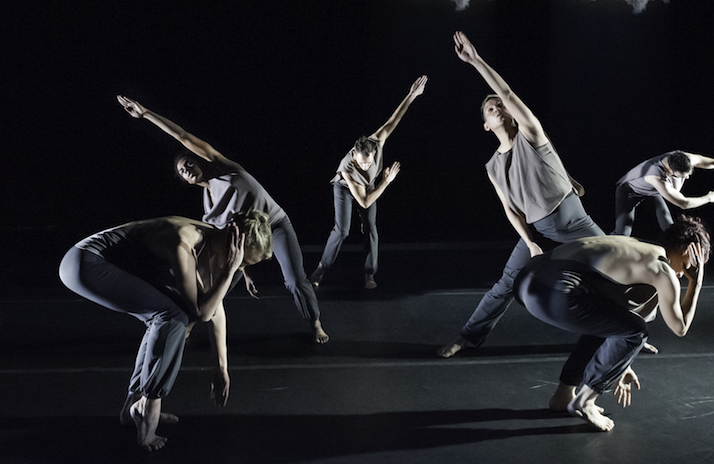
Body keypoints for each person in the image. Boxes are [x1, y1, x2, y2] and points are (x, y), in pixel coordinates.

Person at [437, 32, 604, 358]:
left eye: (499, 104)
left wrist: (475, 60)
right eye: (488, 108)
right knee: (506, 284)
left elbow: (507, 92)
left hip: (572, 219)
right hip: (538, 230)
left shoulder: (532, 134)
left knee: (613, 270)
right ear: (485, 124)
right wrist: (529, 243)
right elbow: (510, 211)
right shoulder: (492, 166)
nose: (496, 106)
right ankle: (468, 336)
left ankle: (628, 335)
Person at [116, 95, 329, 344]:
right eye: (181, 171)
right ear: (185, 180)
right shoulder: (209, 210)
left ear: (199, 161)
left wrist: (146, 115)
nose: (185, 168)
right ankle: (190, 322)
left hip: (275, 224)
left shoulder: (226, 169)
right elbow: (233, 242)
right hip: (247, 237)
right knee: (217, 282)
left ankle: (315, 323)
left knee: (294, 279)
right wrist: (246, 272)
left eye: (188, 162)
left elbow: (182, 136)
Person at [59, 211, 273, 451]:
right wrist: (230, 269)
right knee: (173, 316)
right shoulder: (184, 241)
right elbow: (201, 313)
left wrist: (221, 368)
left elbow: (215, 307)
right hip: (85, 262)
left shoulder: (214, 243)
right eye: (241, 260)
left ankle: (134, 404)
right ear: (233, 242)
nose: (239, 266)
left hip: (103, 261)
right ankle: (147, 406)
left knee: (169, 317)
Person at [514, 215, 710, 432]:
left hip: (528, 279)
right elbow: (679, 327)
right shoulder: (661, 269)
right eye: (692, 265)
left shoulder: (639, 248)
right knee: (637, 332)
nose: (684, 274)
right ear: (688, 250)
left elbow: (615, 320)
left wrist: (621, 365)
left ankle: (564, 395)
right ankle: (585, 401)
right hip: (552, 290)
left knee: (606, 324)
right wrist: (697, 282)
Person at [309, 75, 427, 290]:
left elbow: (394, 119)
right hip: (346, 188)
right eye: (362, 163)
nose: (365, 166)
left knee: (371, 228)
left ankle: (369, 273)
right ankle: (321, 268)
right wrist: (386, 181)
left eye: (368, 162)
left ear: (374, 151)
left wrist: (411, 96)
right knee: (342, 230)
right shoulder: (347, 166)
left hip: (370, 186)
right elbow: (363, 202)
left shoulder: (377, 140)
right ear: (355, 154)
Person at [612, 150, 714, 236]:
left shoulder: (685, 158)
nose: (688, 177)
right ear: (670, 171)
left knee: (669, 226)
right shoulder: (655, 176)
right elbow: (683, 203)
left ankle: (674, 250)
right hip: (629, 192)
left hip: (653, 191)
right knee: (623, 234)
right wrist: (709, 198)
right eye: (682, 176)